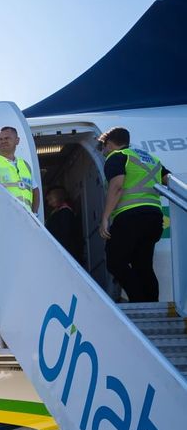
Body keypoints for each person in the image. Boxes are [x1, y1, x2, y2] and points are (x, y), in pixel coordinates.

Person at [98, 126, 170, 303]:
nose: (103, 152)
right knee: (143, 264)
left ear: (108, 143)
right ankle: (151, 304)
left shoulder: (116, 157)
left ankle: (138, 300)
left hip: (130, 215)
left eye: (102, 147)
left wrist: (105, 218)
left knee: (115, 262)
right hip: (154, 216)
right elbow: (169, 180)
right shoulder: (152, 159)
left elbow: (117, 186)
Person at [43, 185, 86, 266]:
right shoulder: (59, 212)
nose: (49, 203)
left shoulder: (65, 212)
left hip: (65, 252)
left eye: (51, 199)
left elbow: (64, 234)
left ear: (58, 196)